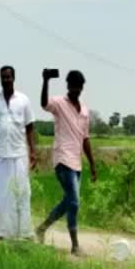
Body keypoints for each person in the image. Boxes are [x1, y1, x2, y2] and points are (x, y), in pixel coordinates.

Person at [35, 70, 97, 254]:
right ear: (68, 85)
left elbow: (85, 138)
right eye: (72, 85)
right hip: (62, 159)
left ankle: (42, 228)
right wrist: (45, 80)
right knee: (75, 202)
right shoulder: (59, 104)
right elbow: (44, 103)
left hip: (77, 162)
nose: (75, 89)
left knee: (68, 201)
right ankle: (75, 246)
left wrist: (92, 164)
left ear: (82, 88)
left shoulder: (85, 111)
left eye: (79, 86)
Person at [0, 66, 37, 240]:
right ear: (0, 79)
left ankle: (23, 232)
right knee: (1, 195)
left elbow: (30, 127)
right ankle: (3, 233)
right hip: (1, 155)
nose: (5, 80)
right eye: (3, 77)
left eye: (8, 77)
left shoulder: (24, 100)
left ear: (14, 78)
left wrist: (33, 151)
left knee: (21, 192)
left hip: (19, 154)